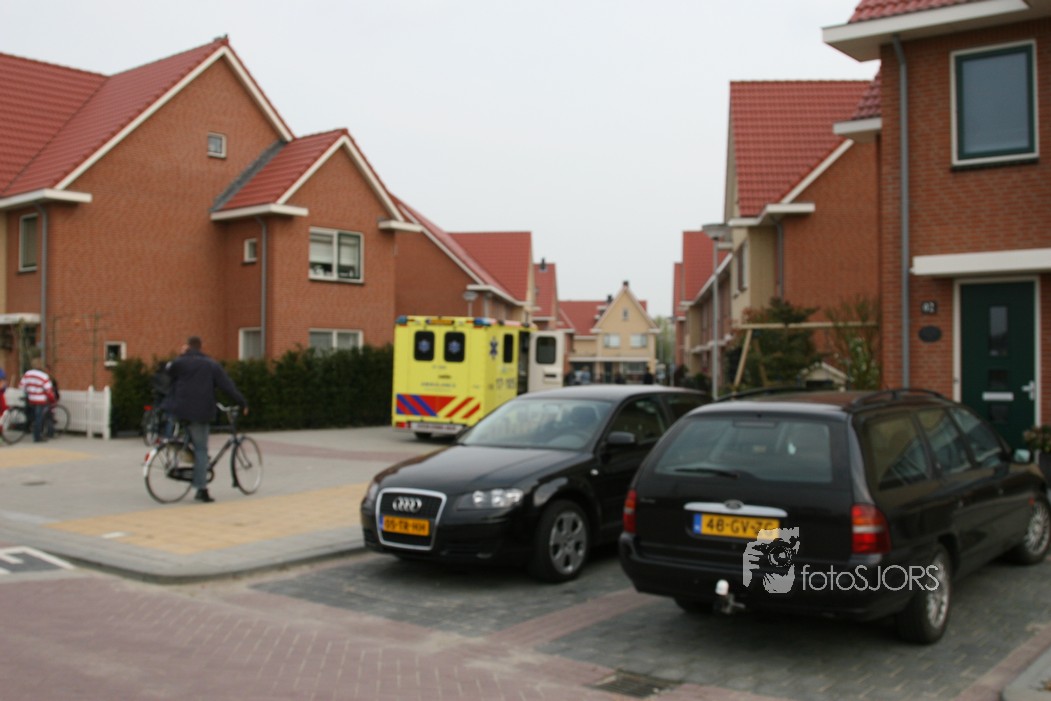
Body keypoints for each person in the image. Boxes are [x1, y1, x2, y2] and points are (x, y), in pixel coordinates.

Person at [167, 336, 247, 503]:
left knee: (192, 441)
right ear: (200, 347)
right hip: (200, 412)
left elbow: (168, 373)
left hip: (179, 410)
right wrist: (242, 402)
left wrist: (181, 356)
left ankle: (189, 459)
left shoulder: (180, 362)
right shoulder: (211, 364)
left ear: (187, 347)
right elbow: (227, 386)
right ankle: (201, 489)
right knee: (201, 450)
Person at [19, 359, 55, 443]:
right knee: (39, 418)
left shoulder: (27, 374)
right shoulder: (44, 376)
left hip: (30, 399)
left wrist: (29, 392)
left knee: (32, 416)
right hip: (40, 400)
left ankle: (29, 428)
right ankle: (37, 437)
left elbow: (21, 386)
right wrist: (52, 399)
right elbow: (48, 390)